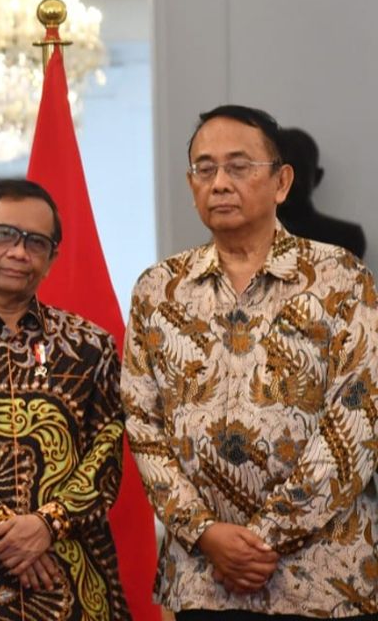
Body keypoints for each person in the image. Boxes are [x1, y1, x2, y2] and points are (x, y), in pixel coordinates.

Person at [122, 105, 378, 619]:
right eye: (205, 168)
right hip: (202, 576)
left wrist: (266, 537)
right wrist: (206, 534)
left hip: (323, 574)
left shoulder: (341, 277)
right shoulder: (158, 289)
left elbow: (357, 420)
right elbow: (142, 424)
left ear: (282, 182)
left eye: (239, 167)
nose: (219, 183)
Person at [0, 179, 129, 621]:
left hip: (70, 567)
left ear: (52, 257)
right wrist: (9, 531)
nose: (18, 252)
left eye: (36, 242)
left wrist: (47, 526)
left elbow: (107, 453)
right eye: (4, 235)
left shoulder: (90, 346)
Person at [275, 126, 366, 258]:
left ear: (317, 177)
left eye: (299, 170)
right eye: (282, 171)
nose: (290, 181)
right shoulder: (243, 233)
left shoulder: (347, 238)